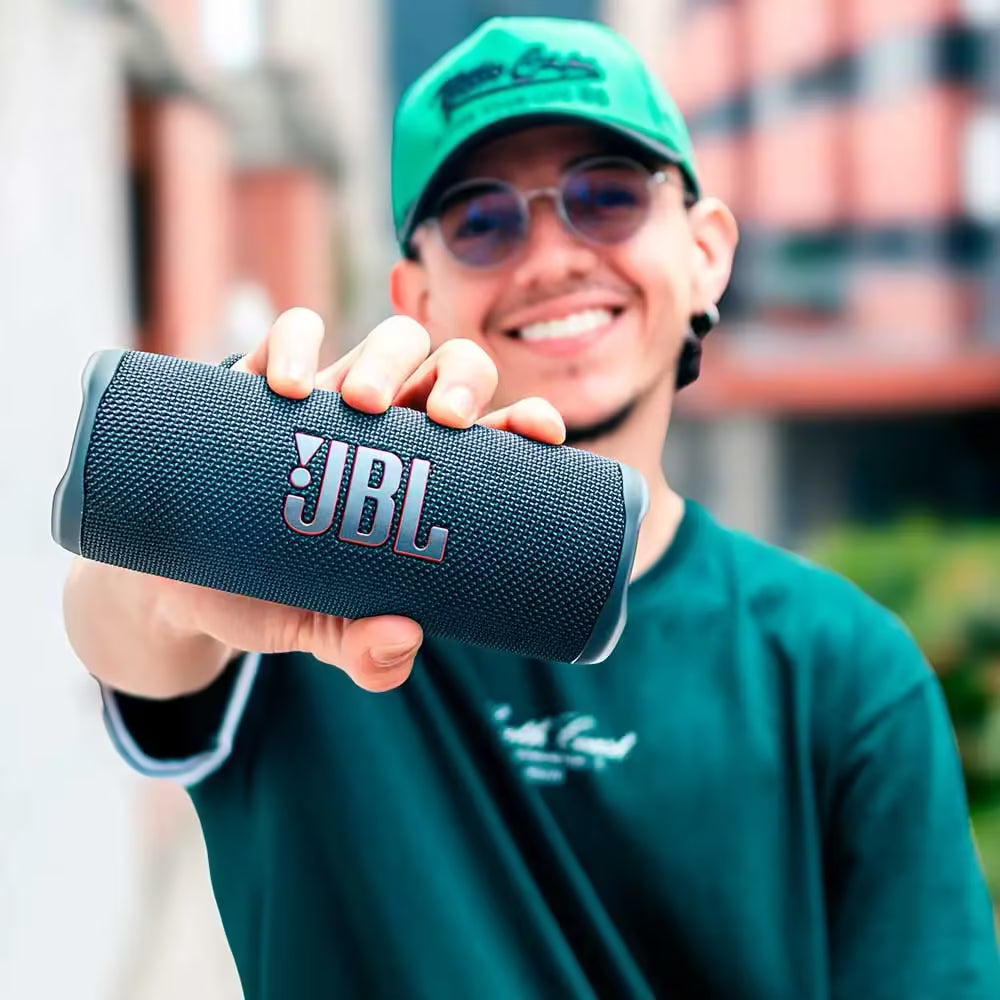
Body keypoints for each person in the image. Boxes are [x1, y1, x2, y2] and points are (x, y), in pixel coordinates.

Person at [62, 15, 999, 1000]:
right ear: (416, 298)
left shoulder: (845, 668)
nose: (551, 257)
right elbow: (124, 623)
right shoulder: (321, 547)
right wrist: (182, 564)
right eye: (482, 220)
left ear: (706, 253)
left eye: (608, 196)